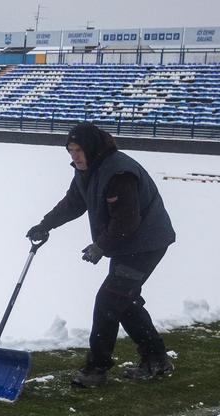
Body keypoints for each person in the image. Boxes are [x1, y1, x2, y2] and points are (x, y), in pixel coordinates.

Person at [26, 122, 177, 388]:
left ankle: (97, 368)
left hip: (145, 243)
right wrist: (45, 224)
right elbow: (73, 203)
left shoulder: (119, 172)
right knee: (123, 301)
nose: (75, 157)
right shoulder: (87, 170)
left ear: (92, 148)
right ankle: (156, 359)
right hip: (127, 244)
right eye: (70, 151)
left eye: (79, 150)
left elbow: (127, 221)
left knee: (108, 301)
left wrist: (100, 246)